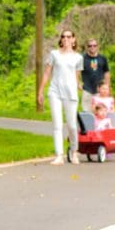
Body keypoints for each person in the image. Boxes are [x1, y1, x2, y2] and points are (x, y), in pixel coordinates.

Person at [36, 29, 83, 165]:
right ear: (61, 39)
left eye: (69, 37)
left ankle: (74, 152)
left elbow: (76, 76)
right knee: (57, 125)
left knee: (72, 125)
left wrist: (80, 86)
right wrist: (40, 91)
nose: (66, 39)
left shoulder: (78, 58)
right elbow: (46, 73)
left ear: (74, 40)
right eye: (64, 37)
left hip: (70, 93)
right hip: (55, 91)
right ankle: (59, 155)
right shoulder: (54, 54)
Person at [80, 38, 110, 112]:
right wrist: (78, 83)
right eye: (90, 46)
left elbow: (107, 72)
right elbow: (76, 72)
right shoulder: (82, 58)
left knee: (99, 112)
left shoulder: (103, 58)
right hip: (87, 89)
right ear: (87, 47)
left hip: (99, 90)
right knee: (87, 112)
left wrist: (107, 86)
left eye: (94, 45)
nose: (92, 47)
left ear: (97, 46)